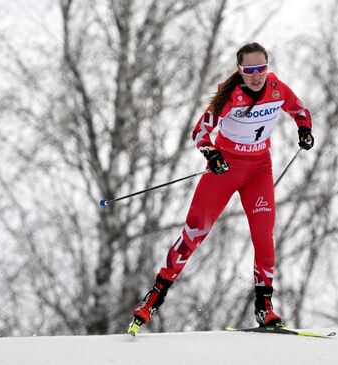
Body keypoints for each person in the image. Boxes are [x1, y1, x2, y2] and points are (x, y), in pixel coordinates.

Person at [128, 42, 314, 335]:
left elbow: (300, 110)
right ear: (240, 71)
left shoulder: (278, 89)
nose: (256, 76)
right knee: (195, 231)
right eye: (249, 70)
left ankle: (264, 307)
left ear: (268, 67)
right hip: (226, 169)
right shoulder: (231, 96)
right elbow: (200, 132)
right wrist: (211, 153)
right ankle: (154, 297)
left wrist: (304, 130)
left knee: (264, 237)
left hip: (259, 171)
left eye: (261, 68)